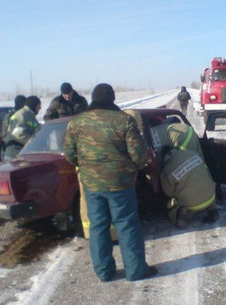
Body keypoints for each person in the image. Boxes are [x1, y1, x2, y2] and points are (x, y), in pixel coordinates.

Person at [63, 83, 157, 282]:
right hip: (121, 185)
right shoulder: (125, 121)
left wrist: (89, 167)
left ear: (93, 99)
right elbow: (139, 157)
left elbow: (70, 155)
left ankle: (104, 273)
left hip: (92, 185)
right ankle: (135, 270)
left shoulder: (77, 122)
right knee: (127, 225)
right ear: (112, 99)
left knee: (98, 226)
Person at [160, 145, 219, 229]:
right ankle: (212, 209)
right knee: (203, 187)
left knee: (171, 204)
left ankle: (181, 216)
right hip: (211, 195)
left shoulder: (166, 170)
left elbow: (169, 193)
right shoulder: (192, 153)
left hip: (191, 204)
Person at [3, 95, 41, 160]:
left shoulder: (31, 116)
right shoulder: (21, 115)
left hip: (24, 154)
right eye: (39, 105)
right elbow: (18, 133)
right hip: (15, 155)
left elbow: (37, 130)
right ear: (34, 105)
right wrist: (33, 142)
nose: (40, 108)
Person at [0, 95, 26, 161]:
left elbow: (4, 135)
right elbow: (5, 135)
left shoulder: (9, 116)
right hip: (15, 150)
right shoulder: (16, 116)